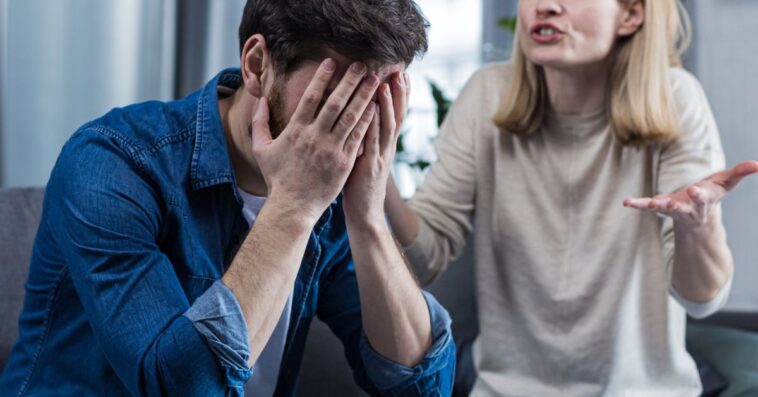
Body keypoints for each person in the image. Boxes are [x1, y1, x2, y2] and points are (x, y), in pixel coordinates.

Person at [0, 1, 456, 396]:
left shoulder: (336, 188)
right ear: (257, 64)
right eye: (337, 94)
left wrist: (368, 216)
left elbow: (423, 387)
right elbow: (185, 387)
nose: (354, 122)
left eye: (378, 95)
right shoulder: (112, 161)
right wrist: (294, 204)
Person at [384, 0, 758, 395]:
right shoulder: (486, 94)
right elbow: (420, 262)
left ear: (631, 15)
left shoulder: (676, 98)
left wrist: (697, 226)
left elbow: (701, 301)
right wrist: (380, 178)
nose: (545, 6)